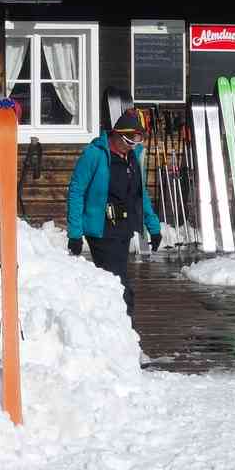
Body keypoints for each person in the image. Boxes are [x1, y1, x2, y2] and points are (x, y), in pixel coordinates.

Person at [67, 107, 162, 320]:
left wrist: (153, 227)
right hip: (101, 230)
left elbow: (140, 194)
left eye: (136, 141)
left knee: (116, 280)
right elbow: (76, 191)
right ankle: (123, 326)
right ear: (117, 135)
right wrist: (75, 234)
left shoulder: (133, 156)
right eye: (129, 141)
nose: (132, 146)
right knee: (118, 283)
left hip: (123, 228)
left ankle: (114, 325)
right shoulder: (95, 154)